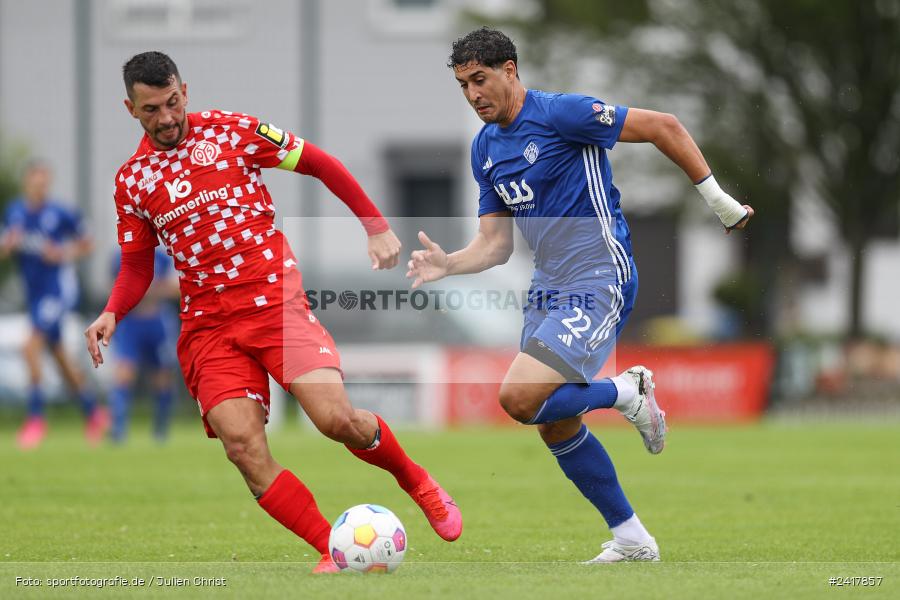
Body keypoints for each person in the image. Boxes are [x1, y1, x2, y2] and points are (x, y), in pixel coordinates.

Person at [83, 51, 461, 573]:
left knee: (336, 420)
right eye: (151, 110)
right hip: (208, 325)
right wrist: (112, 312)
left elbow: (320, 163)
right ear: (131, 109)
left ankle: (416, 480)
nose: (166, 117)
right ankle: (335, 548)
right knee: (242, 447)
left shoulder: (236, 131)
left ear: (185, 91)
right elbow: (136, 267)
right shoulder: (132, 181)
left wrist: (374, 225)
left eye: (172, 102)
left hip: (272, 301)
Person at [407, 28, 753, 563]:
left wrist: (718, 200)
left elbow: (664, 126)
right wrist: (449, 264)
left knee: (517, 398)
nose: (473, 94)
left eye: (480, 79)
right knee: (552, 420)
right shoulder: (484, 149)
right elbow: (496, 246)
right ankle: (634, 540)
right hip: (548, 285)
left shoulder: (561, 115)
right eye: (463, 86)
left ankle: (625, 392)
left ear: (510, 69)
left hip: (599, 274)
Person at [0, 161, 108, 449]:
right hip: (35, 294)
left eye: (44, 182)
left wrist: (63, 252)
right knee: (59, 356)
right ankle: (93, 413)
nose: (40, 187)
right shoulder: (15, 213)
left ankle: (35, 419)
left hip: (58, 291)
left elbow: (88, 243)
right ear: (27, 183)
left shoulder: (60, 213)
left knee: (29, 346)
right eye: (35, 181)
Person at [108, 247, 180, 443]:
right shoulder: (122, 256)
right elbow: (117, 286)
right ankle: (118, 429)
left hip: (157, 323)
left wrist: (154, 289)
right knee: (124, 372)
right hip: (131, 323)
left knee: (162, 376)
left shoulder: (163, 258)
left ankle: (160, 429)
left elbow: (176, 288)